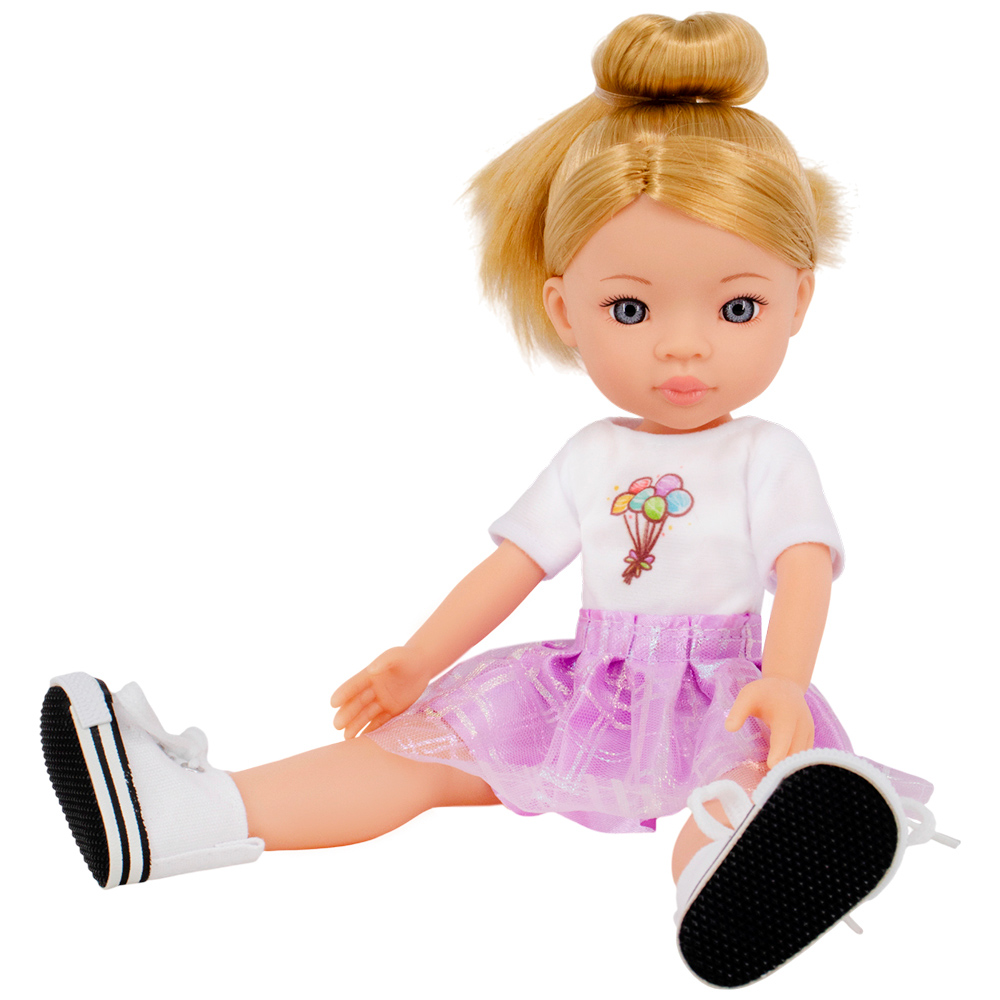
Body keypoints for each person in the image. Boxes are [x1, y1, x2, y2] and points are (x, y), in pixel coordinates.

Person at [40, 12, 954, 988]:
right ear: (565, 309)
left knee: (744, 783)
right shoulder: (592, 454)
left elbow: (803, 569)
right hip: (588, 685)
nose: (682, 345)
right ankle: (193, 814)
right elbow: (513, 567)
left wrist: (785, 677)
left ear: (798, 300)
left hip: (726, 689)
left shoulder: (767, 454)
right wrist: (416, 658)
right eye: (630, 308)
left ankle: (730, 877)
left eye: (738, 307)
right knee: (417, 758)